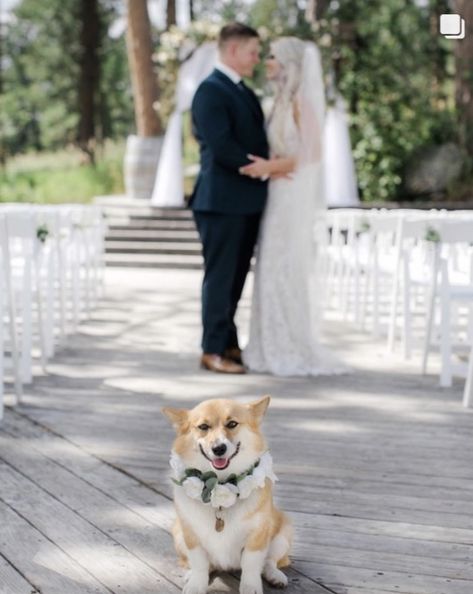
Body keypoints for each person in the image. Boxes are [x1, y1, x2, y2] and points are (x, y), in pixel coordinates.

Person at [240, 37, 346, 376]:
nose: (266, 62)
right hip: (277, 194)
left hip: (289, 196)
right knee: (271, 266)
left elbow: (312, 155)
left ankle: (288, 344)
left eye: (271, 56)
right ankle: (265, 343)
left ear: (289, 64)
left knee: (283, 265)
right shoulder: (281, 101)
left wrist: (270, 167)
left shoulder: (301, 101)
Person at [190, 23, 269, 374]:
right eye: (253, 51)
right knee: (220, 278)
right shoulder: (210, 91)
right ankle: (211, 349)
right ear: (234, 50)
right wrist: (261, 167)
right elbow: (221, 145)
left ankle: (228, 341)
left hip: (245, 202)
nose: (256, 59)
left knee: (235, 278)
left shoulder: (242, 91)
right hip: (220, 201)